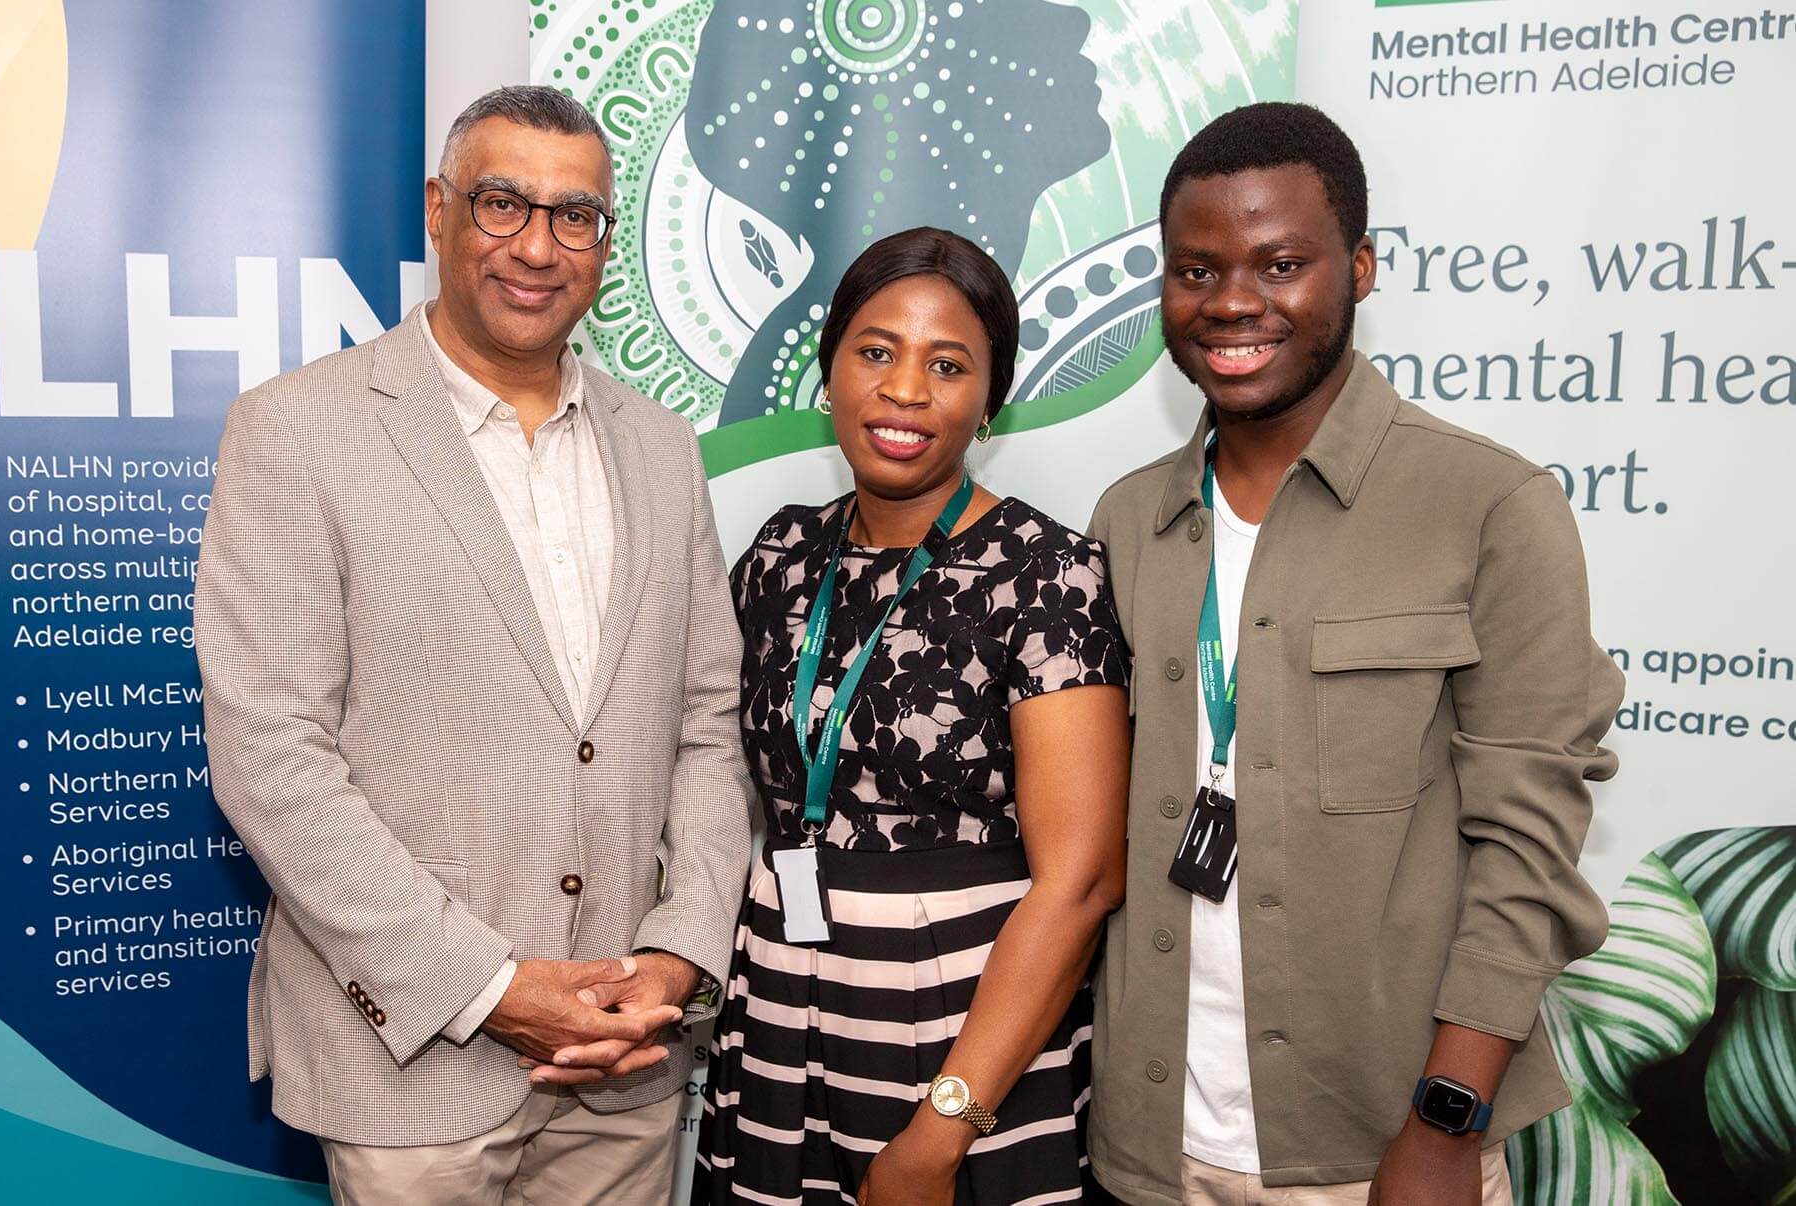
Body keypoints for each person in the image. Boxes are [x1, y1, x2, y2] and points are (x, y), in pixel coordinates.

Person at [194, 85, 752, 1205]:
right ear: (438, 211)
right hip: (417, 1058)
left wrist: (680, 951)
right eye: (503, 204)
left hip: (626, 1055)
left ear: (604, 241)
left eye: (575, 216)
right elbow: (272, 758)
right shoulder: (296, 429)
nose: (537, 248)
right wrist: (491, 986)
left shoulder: (659, 446)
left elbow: (707, 725)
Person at [1086, 103, 1625, 1206]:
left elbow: (1528, 846)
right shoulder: (1126, 521)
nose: (1233, 302)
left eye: (1281, 263)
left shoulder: (1490, 507)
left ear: (1363, 267)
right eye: (1195, 270)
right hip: (1149, 1145)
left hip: (1378, 1151)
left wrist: (1443, 1125)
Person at [692, 226, 1132, 1205]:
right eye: (877, 351)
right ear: (831, 367)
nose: (904, 391)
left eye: (947, 365)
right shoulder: (779, 555)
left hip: (969, 1039)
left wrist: (942, 1134)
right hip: (776, 1009)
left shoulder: (1045, 573)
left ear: (990, 397)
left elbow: (1083, 881)